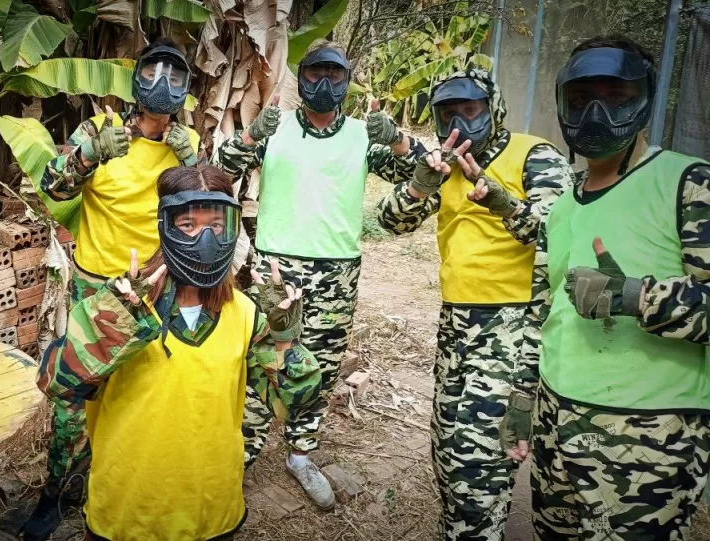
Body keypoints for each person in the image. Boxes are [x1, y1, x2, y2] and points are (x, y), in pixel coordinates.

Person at [36, 165, 322, 540]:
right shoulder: (121, 306)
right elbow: (56, 383)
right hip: (127, 509)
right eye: (188, 225)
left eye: (216, 227)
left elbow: (293, 404)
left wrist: (285, 336)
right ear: (165, 226)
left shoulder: (245, 314)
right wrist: (113, 322)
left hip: (210, 508)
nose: (204, 239)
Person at [499, 35, 710, 539]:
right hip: (556, 424)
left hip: (645, 442)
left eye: (615, 97)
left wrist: (640, 297)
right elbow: (549, 312)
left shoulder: (688, 183)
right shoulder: (566, 204)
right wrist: (525, 400)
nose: (596, 113)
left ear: (644, 99)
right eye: (581, 99)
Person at [214, 40, 426, 509]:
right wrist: (251, 135)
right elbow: (219, 171)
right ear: (301, 80)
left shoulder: (360, 135)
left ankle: (301, 454)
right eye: (314, 75)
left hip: (337, 271)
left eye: (333, 75)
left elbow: (423, 171)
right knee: (261, 362)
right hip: (276, 267)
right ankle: (239, 456)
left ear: (346, 81)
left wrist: (396, 137)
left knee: (323, 366)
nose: (324, 85)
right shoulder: (275, 129)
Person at [377, 68, 573, 539]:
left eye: (472, 110)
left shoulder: (534, 155)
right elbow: (391, 222)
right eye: (449, 114)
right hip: (457, 323)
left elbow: (560, 233)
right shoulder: (445, 161)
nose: (461, 122)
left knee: (476, 461)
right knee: (447, 449)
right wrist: (420, 183)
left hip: (513, 326)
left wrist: (505, 204)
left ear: (493, 108)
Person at [23, 38, 201, 539]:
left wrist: (195, 166)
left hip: (153, 284)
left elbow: (199, 214)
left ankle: (131, 487)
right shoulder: (98, 130)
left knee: (142, 394)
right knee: (74, 396)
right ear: (137, 77)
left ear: (184, 87)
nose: (161, 83)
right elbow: (54, 187)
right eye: (153, 71)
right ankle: (60, 494)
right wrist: (89, 155)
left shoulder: (184, 144)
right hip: (92, 286)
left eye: (173, 73)